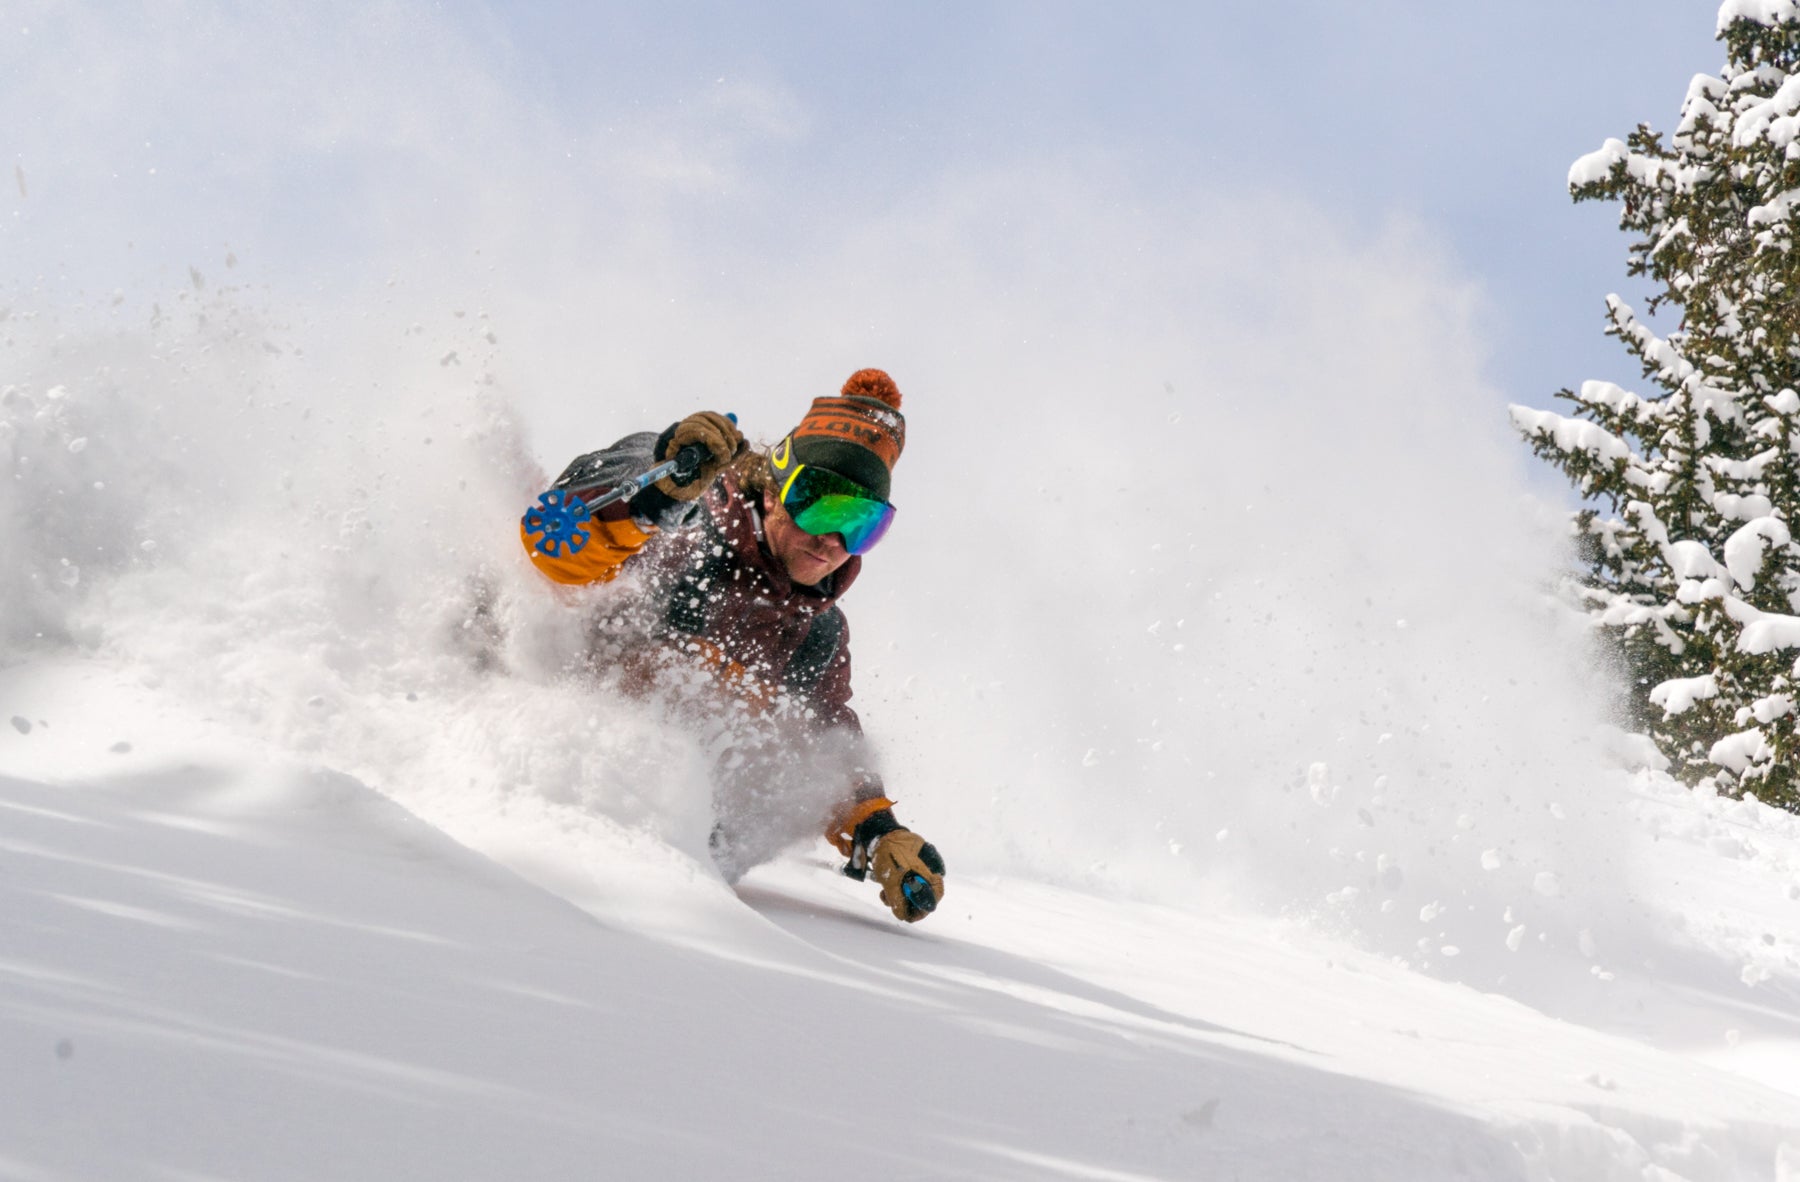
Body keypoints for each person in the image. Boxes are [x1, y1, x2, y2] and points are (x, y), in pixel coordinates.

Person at [518, 369, 945, 922]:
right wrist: (656, 494)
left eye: (861, 524)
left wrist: (877, 828)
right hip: (536, 781)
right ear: (773, 489)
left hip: (660, 852)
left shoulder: (816, 633)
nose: (833, 541)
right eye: (820, 507)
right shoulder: (688, 517)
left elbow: (824, 743)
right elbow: (553, 546)